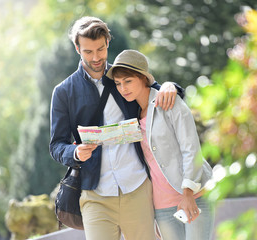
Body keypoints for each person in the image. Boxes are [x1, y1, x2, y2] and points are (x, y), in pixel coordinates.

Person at [49, 16, 184, 240]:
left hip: (137, 188)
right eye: (88, 52)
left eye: (100, 49)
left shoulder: (124, 76)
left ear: (107, 43)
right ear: (77, 48)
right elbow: (56, 145)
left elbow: (160, 93)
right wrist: (74, 153)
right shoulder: (64, 92)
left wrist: (171, 86)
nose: (95, 58)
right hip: (95, 195)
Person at [106, 49, 214, 240]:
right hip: (161, 206)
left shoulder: (168, 102)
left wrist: (187, 193)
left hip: (192, 196)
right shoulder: (133, 114)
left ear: (143, 78)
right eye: (118, 84)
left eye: (128, 81)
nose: (123, 88)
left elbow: (191, 148)